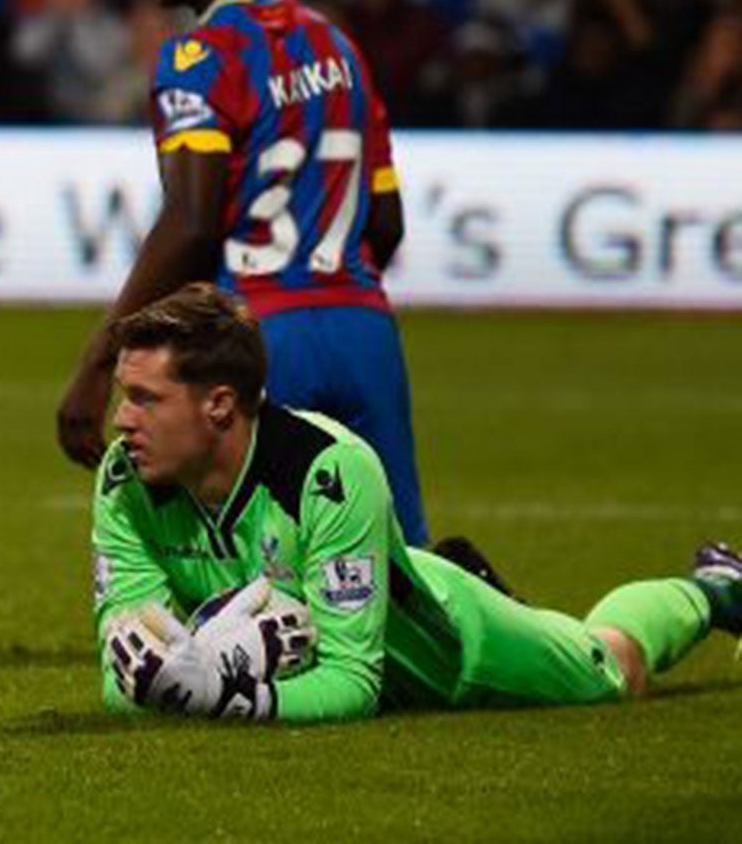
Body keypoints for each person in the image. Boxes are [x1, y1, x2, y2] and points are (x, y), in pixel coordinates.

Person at [91, 284, 742, 722]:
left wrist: (227, 695)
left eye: (146, 398)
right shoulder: (124, 481)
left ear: (220, 405)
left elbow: (353, 681)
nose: (122, 420)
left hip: (445, 651)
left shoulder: (329, 470)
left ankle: (715, 588)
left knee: (611, 665)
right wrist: (179, 679)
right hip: (323, 639)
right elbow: (119, 669)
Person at [56, 0, 432, 545]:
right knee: (402, 565)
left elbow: (192, 223)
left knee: (265, 567)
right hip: (364, 325)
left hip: (263, 335)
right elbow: (386, 221)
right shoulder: (338, 45)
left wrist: (100, 357)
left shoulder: (198, 58)